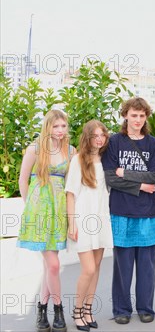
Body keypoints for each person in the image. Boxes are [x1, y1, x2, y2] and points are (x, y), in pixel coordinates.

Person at [101, 97, 155, 324]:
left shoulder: (153, 143)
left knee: (147, 266)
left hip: (148, 213)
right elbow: (110, 177)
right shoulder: (114, 142)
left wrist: (124, 173)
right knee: (122, 266)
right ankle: (121, 310)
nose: (137, 120)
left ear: (146, 117)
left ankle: (146, 307)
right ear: (125, 115)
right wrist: (140, 186)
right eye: (133, 115)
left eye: (142, 115)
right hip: (121, 212)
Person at [18, 110, 75, 332]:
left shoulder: (70, 151)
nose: (60, 131)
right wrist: (30, 207)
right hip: (39, 211)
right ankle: (58, 309)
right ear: (47, 127)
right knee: (53, 265)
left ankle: (41, 311)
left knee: (48, 267)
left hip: (59, 210)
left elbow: (71, 185)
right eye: (55, 126)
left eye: (63, 126)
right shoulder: (35, 149)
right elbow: (23, 180)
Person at [66, 120, 113, 331]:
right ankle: (77, 311)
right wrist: (71, 223)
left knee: (97, 269)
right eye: (95, 135)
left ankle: (88, 309)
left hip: (101, 219)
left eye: (102, 135)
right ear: (88, 137)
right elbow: (70, 194)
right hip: (83, 220)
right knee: (88, 269)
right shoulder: (78, 160)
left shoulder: (106, 160)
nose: (100, 139)